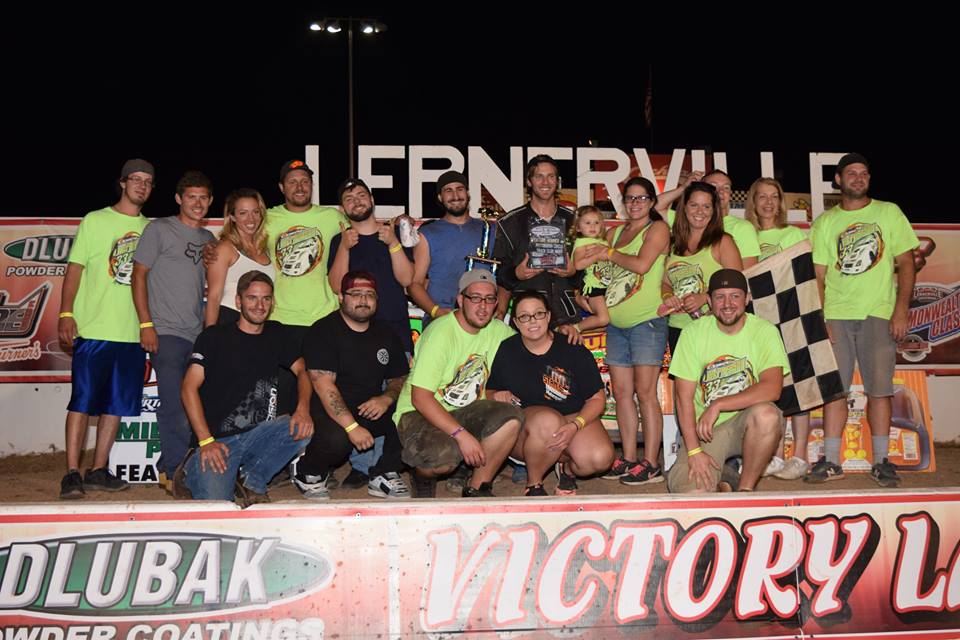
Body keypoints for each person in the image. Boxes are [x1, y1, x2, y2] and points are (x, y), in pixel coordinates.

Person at [807, 153, 919, 488]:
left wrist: (901, 309)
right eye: (851, 173)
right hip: (836, 316)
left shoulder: (889, 212)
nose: (858, 178)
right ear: (838, 180)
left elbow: (907, 263)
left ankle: (881, 461)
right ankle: (831, 461)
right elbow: (818, 276)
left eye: (864, 173)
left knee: (880, 391)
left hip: (878, 314)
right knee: (834, 392)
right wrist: (821, 318)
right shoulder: (825, 222)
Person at [57, 158, 154, 498]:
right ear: (123, 183)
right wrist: (66, 312)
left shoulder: (151, 229)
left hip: (131, 331)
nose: (142, 186)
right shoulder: (95, 220)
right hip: (94, 329)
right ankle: (71, 473)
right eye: (136, 179)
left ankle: (98, 469)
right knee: (82, 402)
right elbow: (74, 269)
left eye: (148, 181)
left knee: (116, 404)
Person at [175, 271, 313, 506]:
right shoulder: (214, 336)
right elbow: (188, 388)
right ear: (238, 301)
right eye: (252, 298)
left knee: (302, 428)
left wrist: (303, 409)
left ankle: (252, 480)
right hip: (217, 440)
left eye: (266, 299)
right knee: (219, 505)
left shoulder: (277, 333)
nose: (260, 306)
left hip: (257, 435)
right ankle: (190, 469)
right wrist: (206, 441)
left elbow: (302, 371)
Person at [392, 270, 523, 498]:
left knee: (511, 418)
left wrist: (566, 333)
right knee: (443, 457)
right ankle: (422, 476)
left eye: (489, 299)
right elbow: (420, 398)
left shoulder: (499, 331)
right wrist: (462, 435)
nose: (483, 307)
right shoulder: (440, 333)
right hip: (419, 412)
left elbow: (532, 349)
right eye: (475, 298)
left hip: (465, 408)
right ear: (460, 300)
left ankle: (476, 489)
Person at [667, 269, 790, 493]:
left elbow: (773, 388)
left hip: (747, 423)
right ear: (709, 300)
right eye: (719, 297)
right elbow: (683, 399)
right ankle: (726, 477)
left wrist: (719, 404)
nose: (727, 304)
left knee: (768, 415)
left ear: (747, 298)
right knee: (693, 495)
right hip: (706, 431)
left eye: (735, 296)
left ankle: (744, 491)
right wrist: (694, 451)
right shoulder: (692, 333)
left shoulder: (765, 331)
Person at [295, 271, 411, 499]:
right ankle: (308, 471)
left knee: (410, 413)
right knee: (337, 440)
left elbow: (400, 377)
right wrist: (351, 428)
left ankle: (383, 472)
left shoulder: (386, 333)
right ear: (341, 297)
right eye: (356, 293)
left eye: (370, 295)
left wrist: (386, 397)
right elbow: (323, 385)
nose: (363, 300)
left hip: (368, 406)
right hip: (328, 409)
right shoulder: (323, 331)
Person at [133, 170, 216, 485]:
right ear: (179, 199)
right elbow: (138, 275)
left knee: (197, 404)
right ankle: (174, 473)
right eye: (191, 197)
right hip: (165, 332)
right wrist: (146, 323)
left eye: (203, 198)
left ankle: (175, 464)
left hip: (197, 335)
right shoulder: (159, 229)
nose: (197, 203)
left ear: (210, 201)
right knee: (174, 405)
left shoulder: (209, 240)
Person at [486, 291, 613, 496]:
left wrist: (576, 425)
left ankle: (566, 469)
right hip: (529, 429)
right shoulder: (508, 349)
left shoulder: (572, 347)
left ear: (548, 316)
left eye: (538, 313)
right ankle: (534, 484)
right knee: (547, 421)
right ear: (516, 322)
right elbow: (490, 390)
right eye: (524, 316)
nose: (532, 321)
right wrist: (496, 396)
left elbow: (597, 399)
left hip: (571, 417)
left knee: (600, 458)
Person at [595, 177, 672, 485]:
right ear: (623, 202)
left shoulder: (657, 228)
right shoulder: (614, 233)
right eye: (630, 198)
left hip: (646, 322)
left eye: (642, 198)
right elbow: (600, 274)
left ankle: (651, 462)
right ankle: (628, 458)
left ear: (652, 202)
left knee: (645, 393)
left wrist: (608, 254)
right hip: (616, 324)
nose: (635, 203)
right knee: (622, 394)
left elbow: (642, 265)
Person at [744, 177, 811, 480]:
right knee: (769, 386)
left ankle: (800, 456)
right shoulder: (746, 235)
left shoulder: (793, 234)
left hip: (791, 319)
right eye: (762, 197)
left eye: (774, 196)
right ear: (753, 202)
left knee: (799, 386)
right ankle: (773, 454)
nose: (769, 203)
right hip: (760, 322)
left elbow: (803, 280)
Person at [327, 177, 414, 354]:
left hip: (396, 332)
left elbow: (406, 279)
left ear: (372, 200)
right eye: (349, 199)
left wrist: (393, 243)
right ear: (342, 209)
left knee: (400, 373)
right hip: (355, 334)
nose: (357, 201)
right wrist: (344, 247)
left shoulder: (395, 233)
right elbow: (337, 287)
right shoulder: (339, 241)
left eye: (361, 195)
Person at [494, 154, 578, 326]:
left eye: (550, 176)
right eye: (539, 176)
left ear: (557, 181)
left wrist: (573, 272)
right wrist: (516, 274)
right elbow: (498, 273)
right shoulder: (509, 223)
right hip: (527, 316)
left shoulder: (575, 221)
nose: (545, 182)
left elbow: (590, 273)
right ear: (529, 181)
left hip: (566, 317)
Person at [661, 182, 742, 355]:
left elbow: (739, 284)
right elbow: (666, 283)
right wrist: (668, 297)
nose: (700, 211)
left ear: (714, 211)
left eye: (706, 206)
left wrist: (704, 297)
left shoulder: (723, 242)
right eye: (694, 205)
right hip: (678, 328)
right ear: (684, 208)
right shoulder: (673, 243)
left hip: (714, 326)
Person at [408, 170, 492, 326]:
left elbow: (502, 278)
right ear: (440, 197)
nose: (455, 195)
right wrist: (436, 311)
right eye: (448, 190)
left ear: (467, 193)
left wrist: (500, 310)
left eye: (460, 189)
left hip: (482, 318)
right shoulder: (427, 234)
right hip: (441, 320)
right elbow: (415, 284)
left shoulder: (488, 230)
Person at [204, 188, 274, 327]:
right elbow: (214, 297)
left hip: (257, 323)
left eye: (255, 212)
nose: (251, 219)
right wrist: (209, 334)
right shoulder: (225, 249)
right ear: (232, 217)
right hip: (230, 320)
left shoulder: (265, 250)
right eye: (243, 213)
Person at [569, 205, 612, 332]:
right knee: (603, 319)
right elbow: (578, 264)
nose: (592, 226)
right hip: (592, 287)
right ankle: (575, 328)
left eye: (596, 222)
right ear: (578, 227)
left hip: (606, 285)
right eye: (587, 223)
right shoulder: (582, 243)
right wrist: (597, 256)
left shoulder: (603, 242)